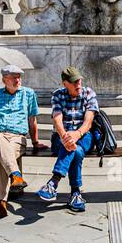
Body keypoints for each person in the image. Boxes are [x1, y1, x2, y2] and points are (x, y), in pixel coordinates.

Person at [0, 64, 41, 219]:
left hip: (17, 138)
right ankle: (15, 176)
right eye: (13, 77)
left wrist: (35, 142)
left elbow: (32, 120)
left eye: (19, 76)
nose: (17, 80)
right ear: (4, 80)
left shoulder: (28, 94)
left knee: (4, 154)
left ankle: (0, 200)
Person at [37, 66, 98, 213]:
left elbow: (88, 121)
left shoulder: (88, 93)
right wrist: (65, 136)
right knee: (76, 151)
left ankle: (54, 182)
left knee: (75, 146)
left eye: (79, 80)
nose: (78, 84)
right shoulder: (57, 95)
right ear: (65, 83)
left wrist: (76, 134)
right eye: (74, 82)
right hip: (61, 136)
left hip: (84, 135)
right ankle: (75, 193)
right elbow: (57, 120)